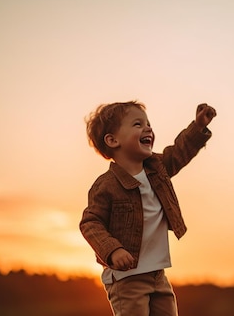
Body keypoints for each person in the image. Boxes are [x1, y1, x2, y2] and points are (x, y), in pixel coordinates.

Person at [80, 101, 216, 316]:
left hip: (158, 275)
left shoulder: (157, 169)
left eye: (148, 123)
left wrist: (198, 127)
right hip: (127, 280)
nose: (148, 128)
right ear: (112, 140)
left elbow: (179, 152)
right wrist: (113, 250)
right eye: (137, 124)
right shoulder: (106, 185)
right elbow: (90, 223)